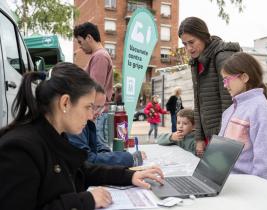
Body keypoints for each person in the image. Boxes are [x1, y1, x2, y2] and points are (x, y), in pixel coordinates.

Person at [0, 63, 164, 209]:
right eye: (88, 107)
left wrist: (130, 175)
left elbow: (83, 170)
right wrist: (85, 200)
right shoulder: (19, 149)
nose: (91, 115)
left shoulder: (53, 137)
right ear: (65, 103)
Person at [178, 17, 241, 157]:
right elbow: (198, 102)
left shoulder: (222, 56)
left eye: (191, 42)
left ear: (203, 36)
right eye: (184, 44)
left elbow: (230, 104)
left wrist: (222, 141)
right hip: (210, 137)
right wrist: (199, 138)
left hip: (225, 138)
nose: (188, 48)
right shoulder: (196, 62)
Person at [218, 52, 267, 181]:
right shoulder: (229, 111)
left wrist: (258, 194)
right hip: (223, 181)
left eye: (227, 79)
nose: (225, 85)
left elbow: (264, 163)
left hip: (245, 187)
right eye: (223, 80)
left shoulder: (261, 109)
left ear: (244, 77)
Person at [67, 84, 145, 167]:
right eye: (93, 107)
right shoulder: (74, 125)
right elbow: (87, 160)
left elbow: (98, 146)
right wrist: (128, 158)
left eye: (101, 108)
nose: (98, 113)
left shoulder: (87, 123)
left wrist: (112, 157)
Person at [74, 22, 113, 149]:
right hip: (97, 115)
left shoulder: (100, 57)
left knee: (99, 153)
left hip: (97, 115)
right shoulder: (98, 56)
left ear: (89, 38)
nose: (80, 47)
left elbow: (94, 91)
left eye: (80, 42)